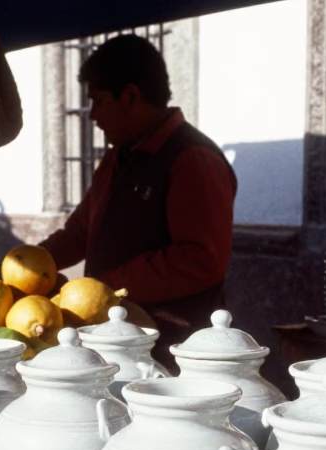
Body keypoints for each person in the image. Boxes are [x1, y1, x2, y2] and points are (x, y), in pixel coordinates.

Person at [40, 35, 237, 369]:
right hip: (116, 334)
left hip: (172, 347)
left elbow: (200, 259)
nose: (92, 116)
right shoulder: (118, 158)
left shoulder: (192, 159)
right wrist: (29, 266)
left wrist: (108, 285)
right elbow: (80, 232)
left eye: (99, 101)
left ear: (130, 96)